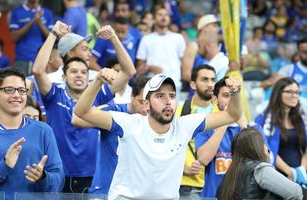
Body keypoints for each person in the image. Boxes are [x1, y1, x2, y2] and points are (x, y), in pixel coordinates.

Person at [74, 72, 242, 200]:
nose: (168, 101)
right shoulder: (130, 123)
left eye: (172, 96)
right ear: (146, 105)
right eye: (160, 96)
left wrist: (235, 93)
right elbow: (81, 111)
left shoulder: (184, 125)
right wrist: (97, 81)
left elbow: (232, 115)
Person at [33, 22, 136, 193]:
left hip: (92, 173)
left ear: (89, 77)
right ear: (64, 77)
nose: (79, 75)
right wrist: (53, 34)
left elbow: (128, 71)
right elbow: (37, 70)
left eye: (83, 72)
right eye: (73, 72)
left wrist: (113, 38)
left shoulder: (98, 93)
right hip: (58, 173)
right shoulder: (53, 94)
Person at [72, 76, 150, 195]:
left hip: (137, 193)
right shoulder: (115, 111)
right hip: (105, 191)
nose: (145, 109)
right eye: (141, 102)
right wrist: (98, 80)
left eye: (149, 104)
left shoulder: (157, 122)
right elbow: (77, 119)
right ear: (132, 96)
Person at [0, 67, 64, 200]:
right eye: (9, 90)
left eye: (21, 90)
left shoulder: (44, 131)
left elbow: (59, 181)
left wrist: (42, 177)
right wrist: (4, 166)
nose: (16, 95)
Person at [195, 77, 249, 198]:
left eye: (234, 95)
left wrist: (245, 128)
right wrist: (226, 120)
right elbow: (203, 159)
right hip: (213, 196)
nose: (231, 100)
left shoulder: (253, 128)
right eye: (226, 95)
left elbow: (265, 161)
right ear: (215, 100)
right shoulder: (205, 126)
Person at [217, 127, 303, 200]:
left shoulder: (231, 173)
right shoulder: (260, 169)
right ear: (256, 147)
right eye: (263, 143)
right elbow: (297, 193)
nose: (267, 148)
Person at [176, 64, 217, 200]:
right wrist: (182, 168)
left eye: (213, 80)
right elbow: (162, 145)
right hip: (186, 185)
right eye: (205, 80)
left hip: (217, 185)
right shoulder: (178, 111)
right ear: (193, 84)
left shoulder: (222, 114)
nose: (210, 84)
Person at [255, 78, 307, 184]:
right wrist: (290, 172)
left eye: (297, 92)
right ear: (278, 93)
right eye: (290, 92)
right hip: (275, 175)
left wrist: (301, 170)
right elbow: (265, 149)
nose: (295, 95)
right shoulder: (263, 119)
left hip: (301, 173)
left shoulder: (302, 118)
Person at [136, 7, 186, 96]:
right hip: (153, 85)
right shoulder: (146, 39)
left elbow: (184, 63)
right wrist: (150, 67)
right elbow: (140, 66)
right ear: (154, 19)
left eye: (166, 15)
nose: (163, 17)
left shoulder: (178, 38)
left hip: (175, 83)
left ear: (169, 18)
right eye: (160, 14)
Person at [10, 0, 54, 76]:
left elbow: (51, 38)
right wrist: (32, 21)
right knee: (21, 86)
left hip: (42, 59)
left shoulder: (47, 13)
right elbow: (14, 37)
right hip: (22, 59)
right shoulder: (17, 11)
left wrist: (39, 22)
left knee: (41, 87)